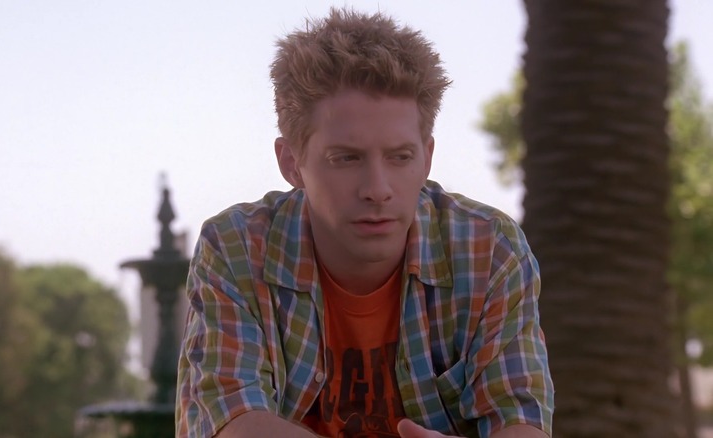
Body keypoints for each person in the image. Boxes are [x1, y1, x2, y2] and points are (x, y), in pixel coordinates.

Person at [176, 8, 553, 438]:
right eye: (346, 158)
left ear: (427, 157)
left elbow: (521, 420)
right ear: (291, 162)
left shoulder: (488, 251)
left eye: (400, 157)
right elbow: (231, 420)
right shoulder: (238, 249)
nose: (378, 188)